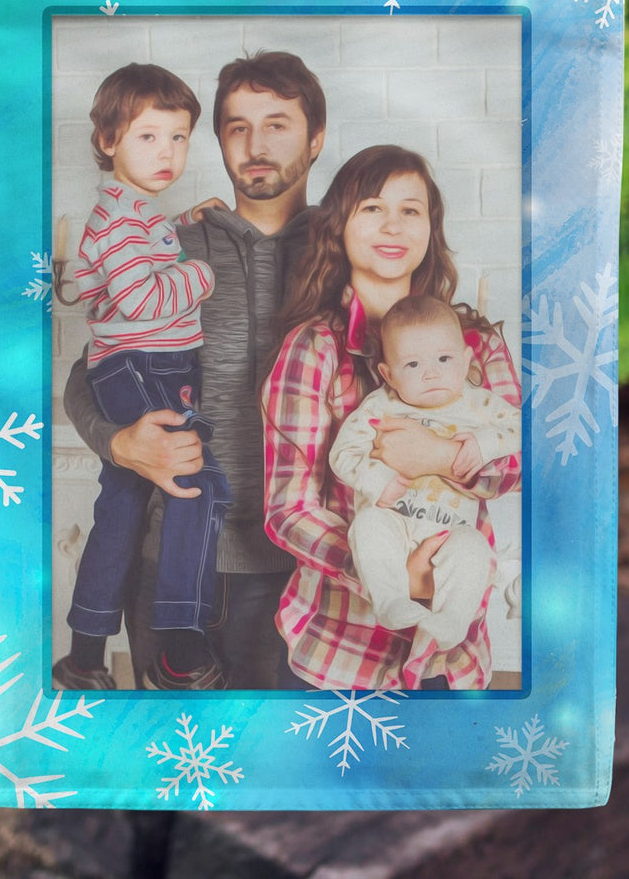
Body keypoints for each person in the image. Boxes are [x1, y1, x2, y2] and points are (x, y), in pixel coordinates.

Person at [59, 50, 326, 689]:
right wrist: (120, 444)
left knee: (289, 754)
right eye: (237, 127)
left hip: (309, 569)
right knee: (172, 751)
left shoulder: (346, 248)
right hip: (168, 565)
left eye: (277, 124)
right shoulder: (174, 244)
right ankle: (97, 653)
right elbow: (88, 375)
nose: (256, 145)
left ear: (316, 139)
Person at [262, 145, 521, 690]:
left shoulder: (475, 343)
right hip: (341, 649)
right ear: (340, 224)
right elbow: (289, 509)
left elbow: (520, 464)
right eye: (373, 208)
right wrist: (391, 572)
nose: (393, 226)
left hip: (453, 657)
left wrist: (441, 456)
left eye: (411, 210)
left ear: (430, 228)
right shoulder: (314, 348)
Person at [54, 62, 229, 692]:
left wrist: (181, 228)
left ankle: (84, 656)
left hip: (129, 366)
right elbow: (141, 298)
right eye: (148, 136)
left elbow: (135, 259)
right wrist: (201, 273)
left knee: (122, 508)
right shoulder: (122, 221)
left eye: (178, 137)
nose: (167, 152)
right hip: (144, 365)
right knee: (196, 484)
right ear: (108, 141)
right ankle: (180, 649)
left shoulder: (130, 215)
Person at [329, 294, 520, 676]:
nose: (430, 374)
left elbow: (522, 428)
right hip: (395, 523)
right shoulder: (380, 407)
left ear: (466, 360)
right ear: (388, 374)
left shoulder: (479, 405)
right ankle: (392, 602)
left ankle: (449, 623)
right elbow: (342, 453)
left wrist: (484, 444)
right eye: (413, 364)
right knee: (368, 527)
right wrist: (377, 480)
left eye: (444, 359)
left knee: (474, 549)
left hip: (451, 532)